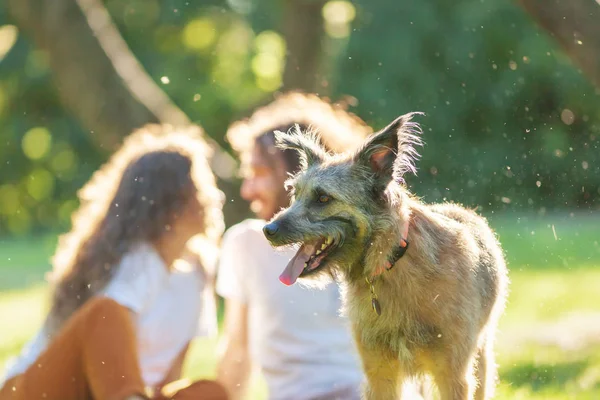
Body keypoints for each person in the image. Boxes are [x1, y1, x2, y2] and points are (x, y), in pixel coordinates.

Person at [0, 125, 228, 400]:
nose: (213, 196)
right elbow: (102, 362)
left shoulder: (197, 275)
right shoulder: (131, 262)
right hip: (34, 392)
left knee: (210, 393)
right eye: (198, 186)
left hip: (119, 394)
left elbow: (166, 380)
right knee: (105, 312)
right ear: (168, 202)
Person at [215, 92, 373, 400]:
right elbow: (237, 354)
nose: (247, 190)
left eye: (258, 173)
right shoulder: (246, 244)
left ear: (299, 178)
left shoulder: (365, 239)